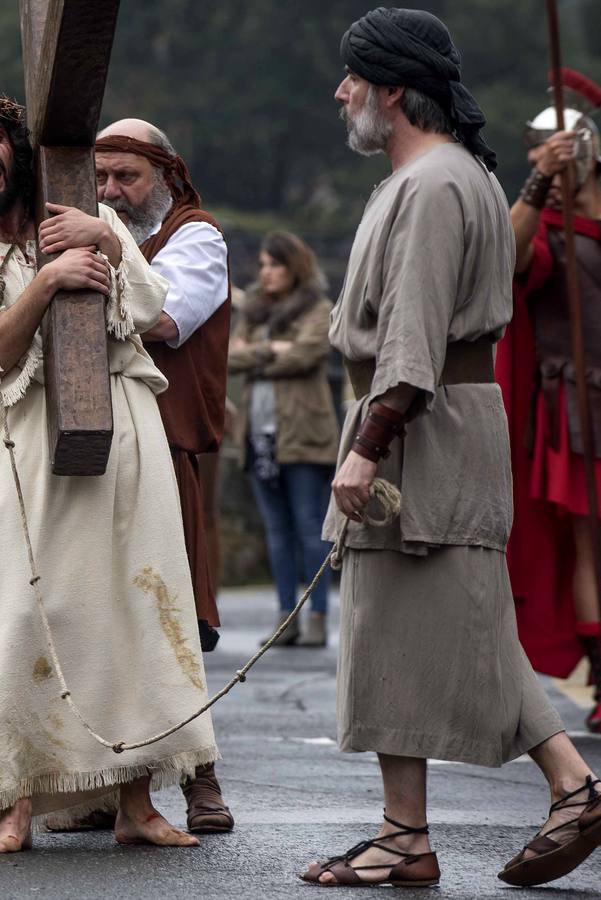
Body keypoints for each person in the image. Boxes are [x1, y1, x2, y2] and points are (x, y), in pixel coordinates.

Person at [301, 10, 598, 888]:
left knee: (448, 620)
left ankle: (563, 791)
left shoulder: (435, 184)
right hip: (428, 418)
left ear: (392, 90)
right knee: (409, 628)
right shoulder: (440, 175)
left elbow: (413, 329)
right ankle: (410, 831)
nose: (340, 92)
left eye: (353, 78)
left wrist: (369, 441)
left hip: (420, 425)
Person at [0, 93, 218, 853]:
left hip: (126, 431)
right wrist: (46, 282)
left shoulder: (89, 218)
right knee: (22, 617)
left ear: (21, 152)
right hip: (23, 447)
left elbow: (151, 312)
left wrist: (105, 243)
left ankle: (136, 803)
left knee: (133, 610)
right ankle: (12, 804)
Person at [93, 119, 233, 834]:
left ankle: (200, 782)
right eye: (101, 178)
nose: (111, 191)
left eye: (127, 177)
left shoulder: (194, 236)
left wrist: (83, 276)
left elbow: (164, 319)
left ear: (166, 177)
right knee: (94, 614)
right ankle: (100, 784)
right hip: (89, 446)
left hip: (162, 446)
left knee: (170, 610)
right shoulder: (83, 235)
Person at [500, 67, 601, 733]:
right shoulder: (541, 228)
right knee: (589, 543)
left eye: (554, 152)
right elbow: (503, 258)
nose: (547, 164)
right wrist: (537, 183)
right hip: (572, 402)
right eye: (538, 155)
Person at [228, 231, 338, 647]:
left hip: (303, 434)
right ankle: (284, 618)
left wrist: (256, 353)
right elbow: (227, 358)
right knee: (276, 529)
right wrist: (271, 349)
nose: (266, 273)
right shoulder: (253, 311)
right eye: (262, 265)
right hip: (259, 436)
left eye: (275, 264)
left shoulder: (318, 308)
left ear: (295, 267)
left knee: (309, 526)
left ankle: (317, 617)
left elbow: (309, 353)